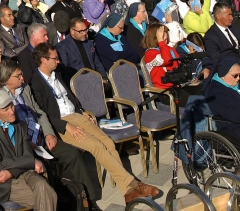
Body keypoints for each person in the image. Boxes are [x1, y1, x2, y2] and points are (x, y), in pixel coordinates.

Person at [28, 44, 161, 204]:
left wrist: (80, 110)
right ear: (43, 60)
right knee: (96, 146)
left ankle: (127, 191)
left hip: (76, 115)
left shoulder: (57, 74)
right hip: (63, 124)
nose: (59, 61)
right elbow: (43, 113)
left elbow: (69, 97)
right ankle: (133, 185)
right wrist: (65, 126)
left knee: (107, 142)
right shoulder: (35, 83)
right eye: (55, 58)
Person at [0, 87, 56, 211]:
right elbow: (0, 165)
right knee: (46, 197)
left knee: (44, 188)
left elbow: (26, 154)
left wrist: (13, 171)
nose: (12, 111)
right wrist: (30, 162)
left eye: (12, 106)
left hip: (24, 172)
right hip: (4, 181)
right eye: (5, 109)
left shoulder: (20, 125)